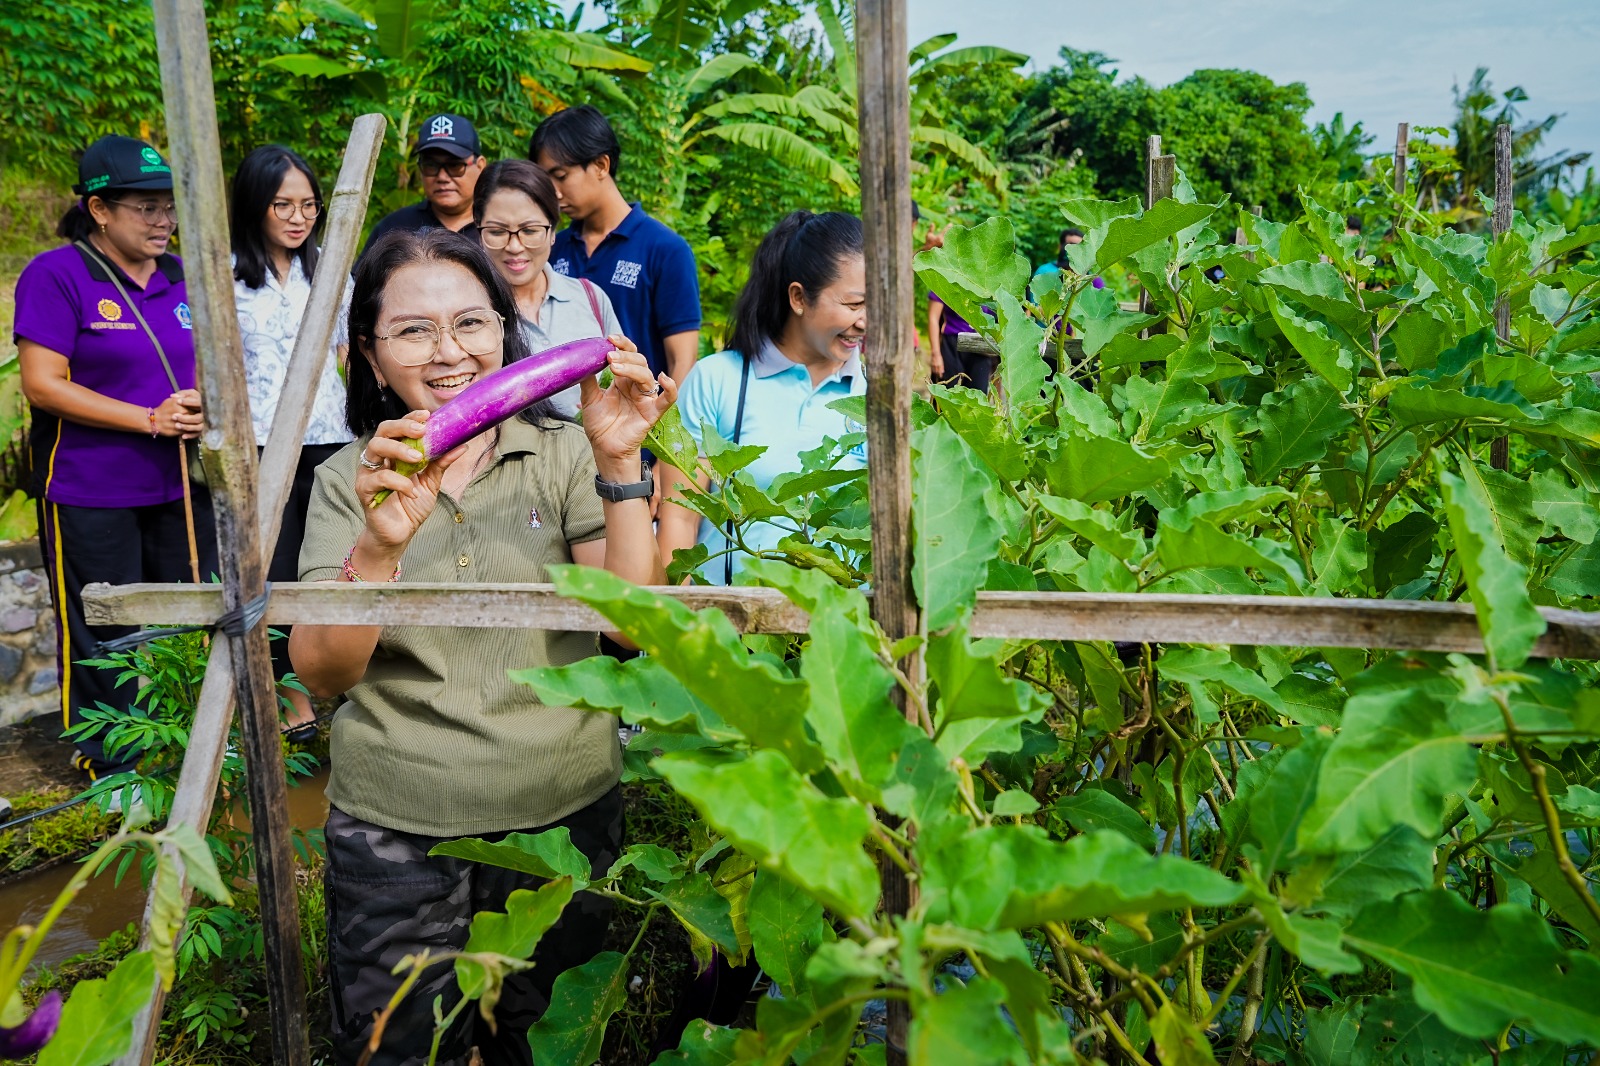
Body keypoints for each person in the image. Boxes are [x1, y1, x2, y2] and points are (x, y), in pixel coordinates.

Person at [288, 228, 672, 1065]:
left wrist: (622, 462)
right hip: (397, 825)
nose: (449, 351)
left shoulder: (567, 453)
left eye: (472, 323)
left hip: (561, 818)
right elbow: (321, 673)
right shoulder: (347, 477)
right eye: (414, 330)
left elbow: (632, 625)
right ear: (370, 352)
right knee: (399, 1050)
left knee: (538, 1047)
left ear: (506, 331)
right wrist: (380, 549)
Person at [13, 135, 216, 787]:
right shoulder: (58, 274)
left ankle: (184, 745)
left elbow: (208, 362)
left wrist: (203, 404)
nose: (163, 221)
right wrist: (148, 420)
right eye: (146, 208)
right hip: (90, 484)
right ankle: (110, 761)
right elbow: (43, 382)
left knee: (180, 616)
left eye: (168, 207)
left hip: (177, 487)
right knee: (102, 625)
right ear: (100, 210)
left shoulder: (184, 275)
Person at [657, 211, 866, 585]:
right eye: (853, 305)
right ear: (799, 298)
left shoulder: (877, 394)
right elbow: (680, 517)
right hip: (729, 626)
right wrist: (681, 627)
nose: (866, 320)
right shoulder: (718, 380)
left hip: (842, 633)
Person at [230, 144, 354, 741]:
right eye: (283, 205)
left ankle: (324, 680)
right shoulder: (225, 275)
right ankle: (285, 690)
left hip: (329, 439)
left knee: (324, 562)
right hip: (259, 446)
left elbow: (347, 355)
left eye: (309, 205)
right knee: (272, 571)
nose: (299, 217)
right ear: (256, 206)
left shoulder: (330, 270)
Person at [530, 106, 700, 387]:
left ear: (601, 165)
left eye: (560, 176)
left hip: (635, 420)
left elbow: (683, 361)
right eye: (545, 179)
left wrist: (659, 422)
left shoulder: (666, 249)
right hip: (561, 421)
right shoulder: (552, 248)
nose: (553, 192)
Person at [473, 159, 621, 418]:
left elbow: (621, 381)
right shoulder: (468, 314)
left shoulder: (590, 297)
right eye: (497, 232)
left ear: (553, 231)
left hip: (596, 456)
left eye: (530, 230)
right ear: (479, 229)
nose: (515, 246)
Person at [362, 113, 485, 254]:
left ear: (480, 166)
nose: (442, 177)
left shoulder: (499, 227)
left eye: (455, 166)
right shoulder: (394, 228)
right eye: (431, 166)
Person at [926, 289, 994, 393]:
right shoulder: (946, 277)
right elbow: (933, 318)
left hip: (980, 346)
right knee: (947, 394)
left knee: (977, 400)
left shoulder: (986, 283)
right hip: (952, 345)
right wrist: (936, 354)